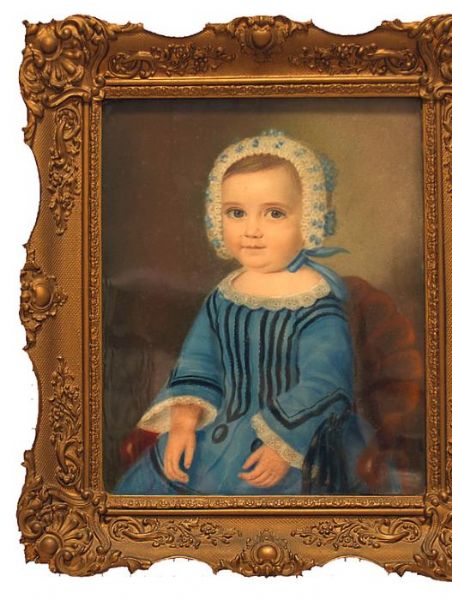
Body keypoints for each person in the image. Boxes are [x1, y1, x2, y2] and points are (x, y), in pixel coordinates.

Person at [113, 130, 375, 495]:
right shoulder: (225, 295)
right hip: (216, 432)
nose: (251, 230)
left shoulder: (316, 300)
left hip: (295, 441)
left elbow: (325, 382)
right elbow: (198, 361)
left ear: (310, 219)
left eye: (274, 214)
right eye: (236, 213)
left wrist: (283, 445)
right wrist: (185, 422)